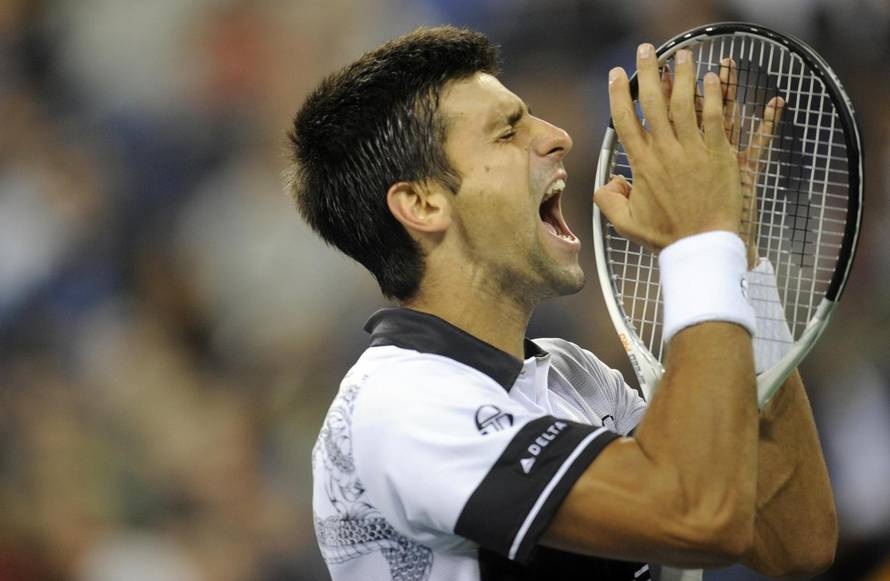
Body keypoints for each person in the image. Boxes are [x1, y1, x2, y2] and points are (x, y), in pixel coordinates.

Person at [288, 26, 837, 581]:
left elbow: (794, 541)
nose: (557, 137)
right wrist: (700, 241)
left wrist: (732, 253)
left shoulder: (577, 377)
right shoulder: (400, 404)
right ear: (423, 203)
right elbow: (698, 514)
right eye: (507, 133)